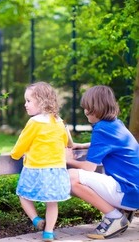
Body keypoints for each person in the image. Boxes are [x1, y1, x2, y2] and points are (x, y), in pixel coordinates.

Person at [67, 85, 139, 240]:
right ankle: (122, 212)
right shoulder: (115, 124)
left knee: (71, 178)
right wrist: (84, 145)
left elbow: (89, 168)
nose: (85, 111)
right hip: (134, 191)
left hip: (128, 191)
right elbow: (111, 144)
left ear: (95, 108)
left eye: (87, 108)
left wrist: (67, 160)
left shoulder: (101, 129)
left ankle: (115, 217)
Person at [10, 81, 71, 242]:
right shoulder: (58, 121)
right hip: (57, 170)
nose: (25, 104)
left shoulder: (34, 122)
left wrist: (15, 155)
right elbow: (65, 141)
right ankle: (48, 232)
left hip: (35, 169)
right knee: (52, 203)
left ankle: (36, 220)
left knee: (23, 195)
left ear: (41, 101)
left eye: (28, 101)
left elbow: (22, 143)